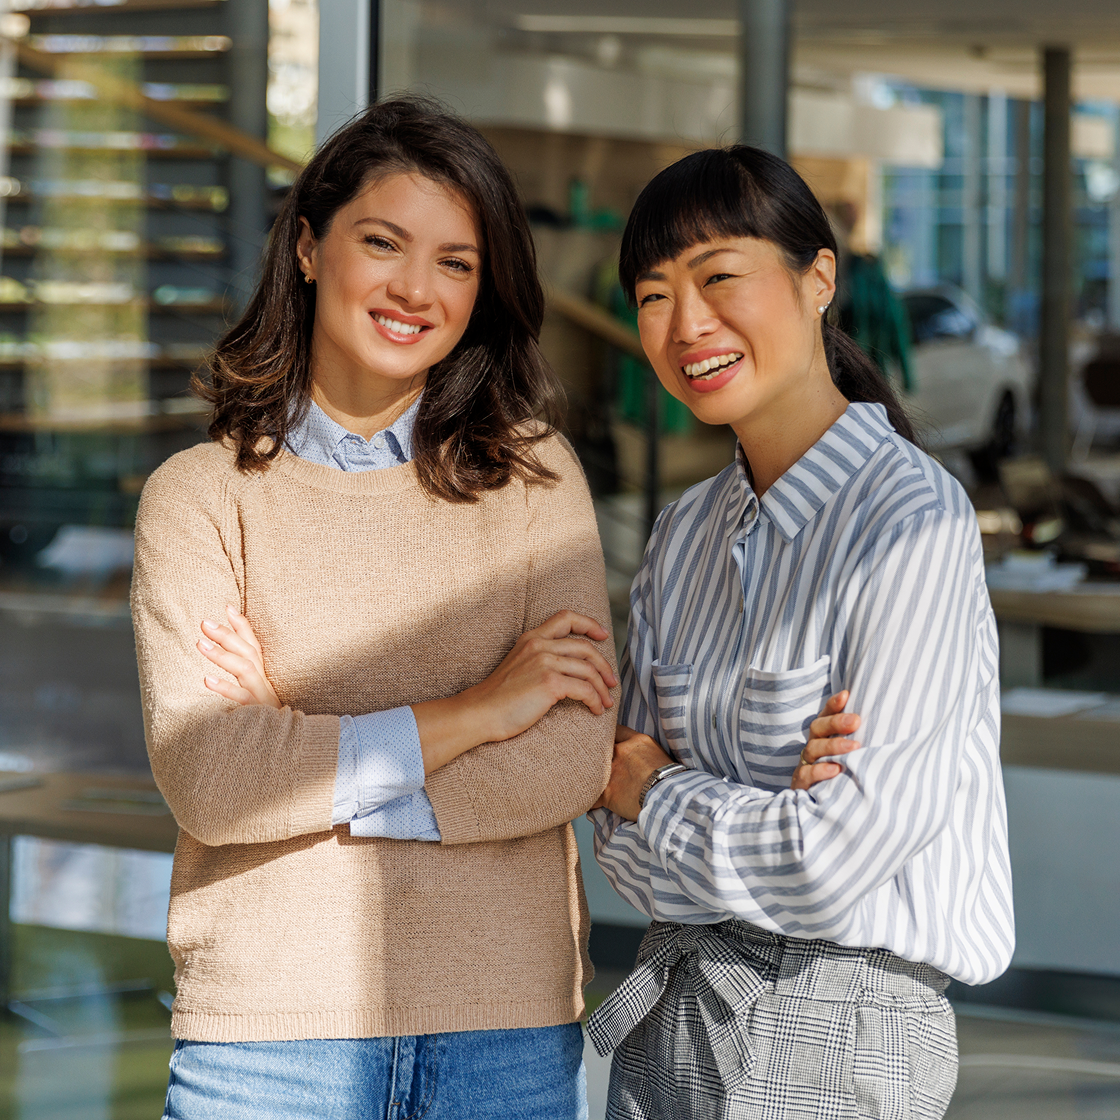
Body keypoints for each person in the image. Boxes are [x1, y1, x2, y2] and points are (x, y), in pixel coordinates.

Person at [131, 98, 622, 1120]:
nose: (415, 289)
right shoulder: (200, 496)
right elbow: (214, 782)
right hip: (266, 1039)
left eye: (456, 261)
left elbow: (570, 757)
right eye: (383, 243)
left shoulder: (536, 482)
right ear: (309, 247)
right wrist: (479, 712)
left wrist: (304, 752)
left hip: (504, 1024)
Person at [586, 146, 1015, 1120]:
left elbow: (829, 861)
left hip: (844, 1027)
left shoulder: (913, 521)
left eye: (719, 278)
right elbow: (611, 834)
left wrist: (658, 784)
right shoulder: (683, 531)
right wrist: (734, 808)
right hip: (671, 1005)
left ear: (819, 278)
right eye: (653, 296)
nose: (686, 324)